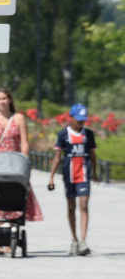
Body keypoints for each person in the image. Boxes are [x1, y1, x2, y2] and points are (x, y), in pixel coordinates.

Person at [0, 87, 43, 254]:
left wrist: (24, 161)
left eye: (5, 98)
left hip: (14, 164)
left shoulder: (18, 118)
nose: (2, 102)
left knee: (14, 195)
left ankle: (9, 235)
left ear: (10, 100)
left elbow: (25, 142)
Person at [48, 103, 97, 256]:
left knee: (84, 205)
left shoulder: (88, 135)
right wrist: (51, 177)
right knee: (71, 207)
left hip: (84, 175)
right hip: (69, 176)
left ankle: (83, 241)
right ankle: (74, 239)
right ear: (71, 118)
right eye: (78, 119)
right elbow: (57, 157)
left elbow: (93, 155)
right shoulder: (63, 135)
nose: (81, 122)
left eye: (83, 120)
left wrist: (95, 173)